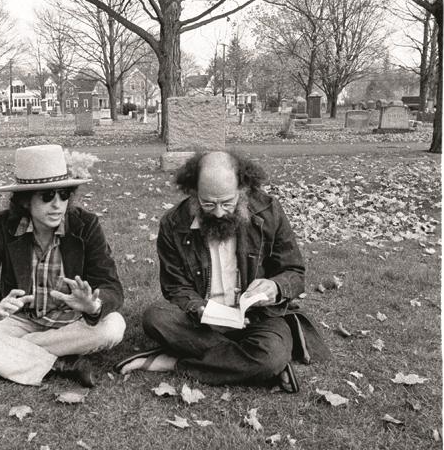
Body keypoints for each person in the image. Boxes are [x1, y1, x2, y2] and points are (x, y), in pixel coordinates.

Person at [114, 149, 330, 391]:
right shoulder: (173, 223)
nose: (218, 212)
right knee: (156, 318)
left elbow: (294, 271)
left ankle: (176, 362)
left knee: (272, 354)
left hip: (258, 318)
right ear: (193, 191)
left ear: (243, 188)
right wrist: (200, 308)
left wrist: (275, 287)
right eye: (208, 203)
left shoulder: (269, 212)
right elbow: (175, 287)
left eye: (227, 202)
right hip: (203, 320)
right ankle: (256, 365)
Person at [0, 144, 126, 387]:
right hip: (17, 321)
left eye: (64, 195)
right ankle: (58, 364)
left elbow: (112, 287)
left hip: (70, 323)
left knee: (114, 326)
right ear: (25, 201)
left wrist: (92, 304)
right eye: (47, 196)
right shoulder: (4, 226)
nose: (57, 205)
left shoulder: (86, 225)